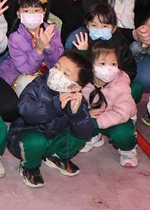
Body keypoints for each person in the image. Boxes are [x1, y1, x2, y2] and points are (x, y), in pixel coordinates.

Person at [7, 51, 94, 187]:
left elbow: (86, 133)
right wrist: (55, 106)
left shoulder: (76, 99)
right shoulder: (38, 84)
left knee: (80, 131)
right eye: (57, 67)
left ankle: (56, 156)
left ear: (76, 87)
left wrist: (77, 114)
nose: (57, 73)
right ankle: (29, 166)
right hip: (25, 137)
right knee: (36, 141)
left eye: (65, 74)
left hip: (53, 139)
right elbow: (26, 111)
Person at [80, 41, 139, 168]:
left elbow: (122, 113)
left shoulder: (121, 84)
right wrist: (86, 114)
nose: (108, 68)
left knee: (123, 133)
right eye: (102, 63)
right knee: (77, 121)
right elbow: (80, 102)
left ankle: (128, 151)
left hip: (120, 119)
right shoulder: (84, 81)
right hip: (95, 115)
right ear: (91, 64)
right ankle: (95, 136)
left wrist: (97, 122)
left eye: (113, 64)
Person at [0, 0, 62, 93]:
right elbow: (26, 70)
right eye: (26, 11)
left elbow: (58, 63)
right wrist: (38, 50)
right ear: (18, 13)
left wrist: (48, 47)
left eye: (36, 10)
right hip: (20, 77)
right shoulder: (15, 38)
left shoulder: (51, 30)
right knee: (33, 85)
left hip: (44, 76)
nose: (31, 15)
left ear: (44, 11)